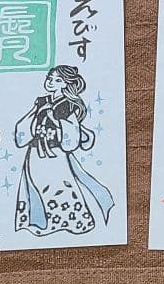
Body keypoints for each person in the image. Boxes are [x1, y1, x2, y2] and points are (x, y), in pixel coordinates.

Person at [14, 66, 114, 236]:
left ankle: (67, 222)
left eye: (57, 80)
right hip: (35, 153)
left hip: (56, 155)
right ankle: (37, 224)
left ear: (66, 84)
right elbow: (24, 127)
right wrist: (38, 115)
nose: (51, 82)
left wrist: (54, 120)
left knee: (58, 186)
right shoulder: (41, 101)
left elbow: (71, 136)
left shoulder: (67, 105)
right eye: (50, 78)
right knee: (34, 186)